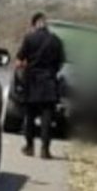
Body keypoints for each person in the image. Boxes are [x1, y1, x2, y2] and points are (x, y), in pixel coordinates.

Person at [15, 12, 65, 159]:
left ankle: (29, 146)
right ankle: (45, 149)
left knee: (30, 116)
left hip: (32, 82)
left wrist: (25, 67)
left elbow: (19, 61)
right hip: (49, 82)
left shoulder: (29, 38)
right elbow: (60, 63)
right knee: (47, 119)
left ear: (35, 24)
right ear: (45, 23)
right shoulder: (56, 41)